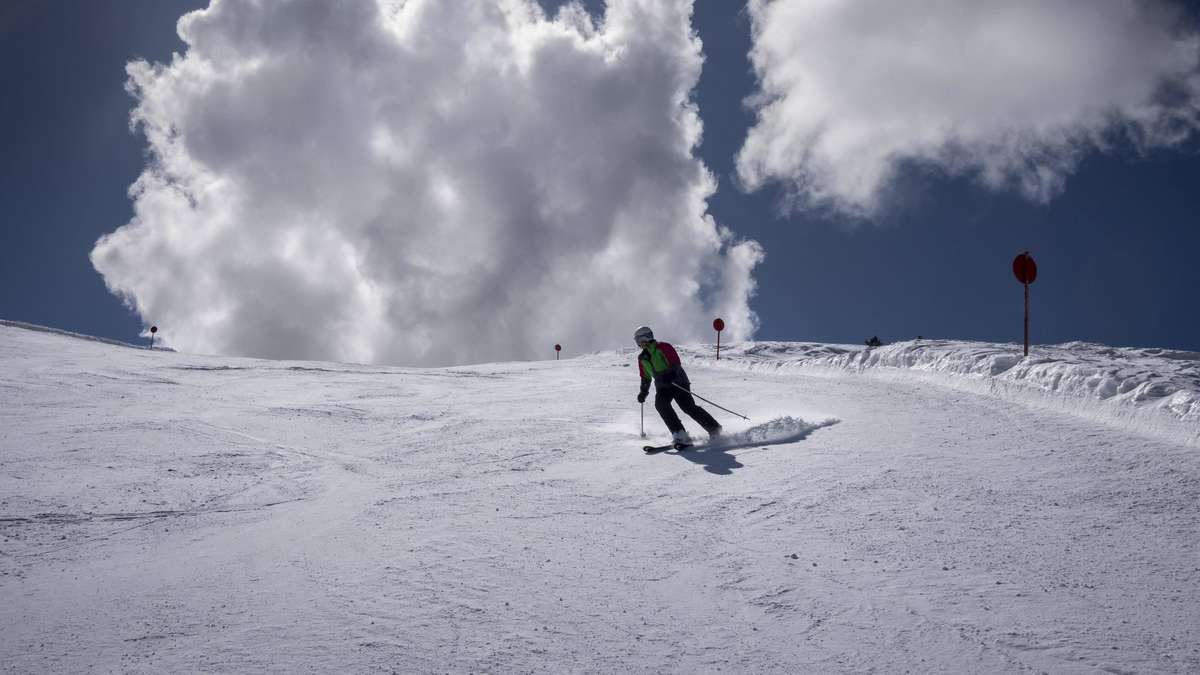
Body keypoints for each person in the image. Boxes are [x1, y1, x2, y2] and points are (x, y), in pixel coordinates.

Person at [634, 326, 722, 444]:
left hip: (677, 381)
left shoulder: (663, 347)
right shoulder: (642, 358)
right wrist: (643, 392)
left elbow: (675, 362)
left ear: (646, 337)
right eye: (637, 342)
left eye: (639, 340)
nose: (639, 344)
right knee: (661, 405)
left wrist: (670, 374)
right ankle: (679, 434)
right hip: (662, 386)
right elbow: (645, 377)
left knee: (687, 407)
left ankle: (714, 428)